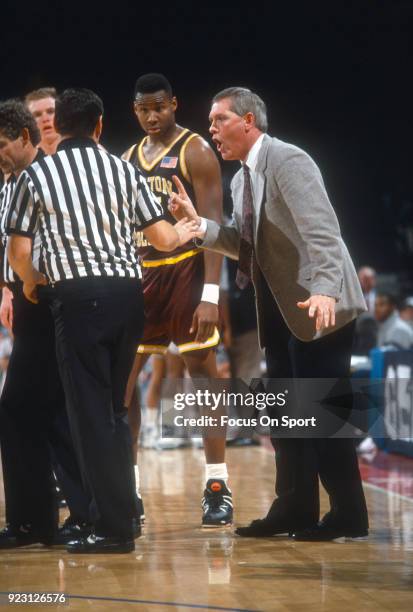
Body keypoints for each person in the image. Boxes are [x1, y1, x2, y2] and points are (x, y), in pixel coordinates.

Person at [169, 86, 369, 541]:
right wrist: (199, 226)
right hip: (279, 311)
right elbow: (245, 247)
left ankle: (348, 514)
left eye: (219, 119)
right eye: (211, 121)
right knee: (283, 420)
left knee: (322, 417)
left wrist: (324, 291)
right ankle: (294, 507)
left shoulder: (289, 161)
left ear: (248, 121)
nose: (212, 129)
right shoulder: (242, 178)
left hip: (321, 308)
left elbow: (322, 232)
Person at [6, 88, 199, 554]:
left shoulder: (38, 175)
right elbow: (162, 238)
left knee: (88, 416)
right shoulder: (124, 168)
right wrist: (189, 228)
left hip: (77, 300)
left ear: (58, 126)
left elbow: (18, 252)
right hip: (129, 300)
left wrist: (31, 285)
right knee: (114, 412)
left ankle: (111, 527)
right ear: (98, 126)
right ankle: (124, 514)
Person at [122, 74, 233, 527]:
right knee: (122, 382)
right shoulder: (127, 159)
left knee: (204, 374)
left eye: (159, 107)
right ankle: (127, 490)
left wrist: (210, 294)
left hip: (188, 272)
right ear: (135, 110)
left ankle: (217, 485)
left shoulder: (196, 151)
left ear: (173, 105)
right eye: (144, 109)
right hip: (143, 275)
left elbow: (214, 227)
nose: (152, 116)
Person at [0, 99, 89, 549]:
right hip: (26, 300)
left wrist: (30, 284)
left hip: (49, 300)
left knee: (25, 409)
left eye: (1, 144)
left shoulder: (45, 179)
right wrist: (6, 288)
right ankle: (51, 518)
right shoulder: (8, 184)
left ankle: (42, 520)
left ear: (24, 137)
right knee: (42, 413)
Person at [25, 87, 60, 155]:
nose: (45, 119)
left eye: (50, 111)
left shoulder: (81, 152)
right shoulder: (22, 162)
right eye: (37, 115)